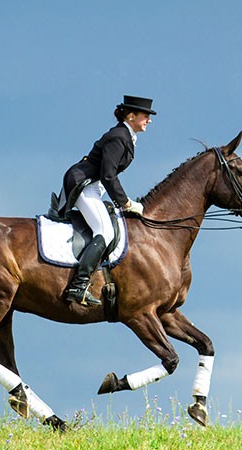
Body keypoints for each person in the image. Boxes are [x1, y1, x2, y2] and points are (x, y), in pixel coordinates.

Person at [60, 95, 156, 307]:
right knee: (105, 232)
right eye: (145, 116)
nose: (149, 120)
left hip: (95, 187)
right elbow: (108, 175)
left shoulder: (127, 136)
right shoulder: (119, 137)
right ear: (131, 116)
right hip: (83, 185)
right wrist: (125, 202)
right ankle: (79, 285)